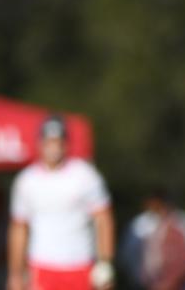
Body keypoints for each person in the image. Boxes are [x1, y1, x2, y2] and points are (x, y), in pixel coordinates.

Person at [7, 115, 115, 290]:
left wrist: (105, 262)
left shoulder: (85, 175)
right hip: (42, 267)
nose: (54, 148)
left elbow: (103, 219)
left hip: (80, 266)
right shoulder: (27, 181)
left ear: (66, 144)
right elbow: (19, 229)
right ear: (40, 143)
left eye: (58, 142)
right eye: (49, 142)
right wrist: (16, 273)